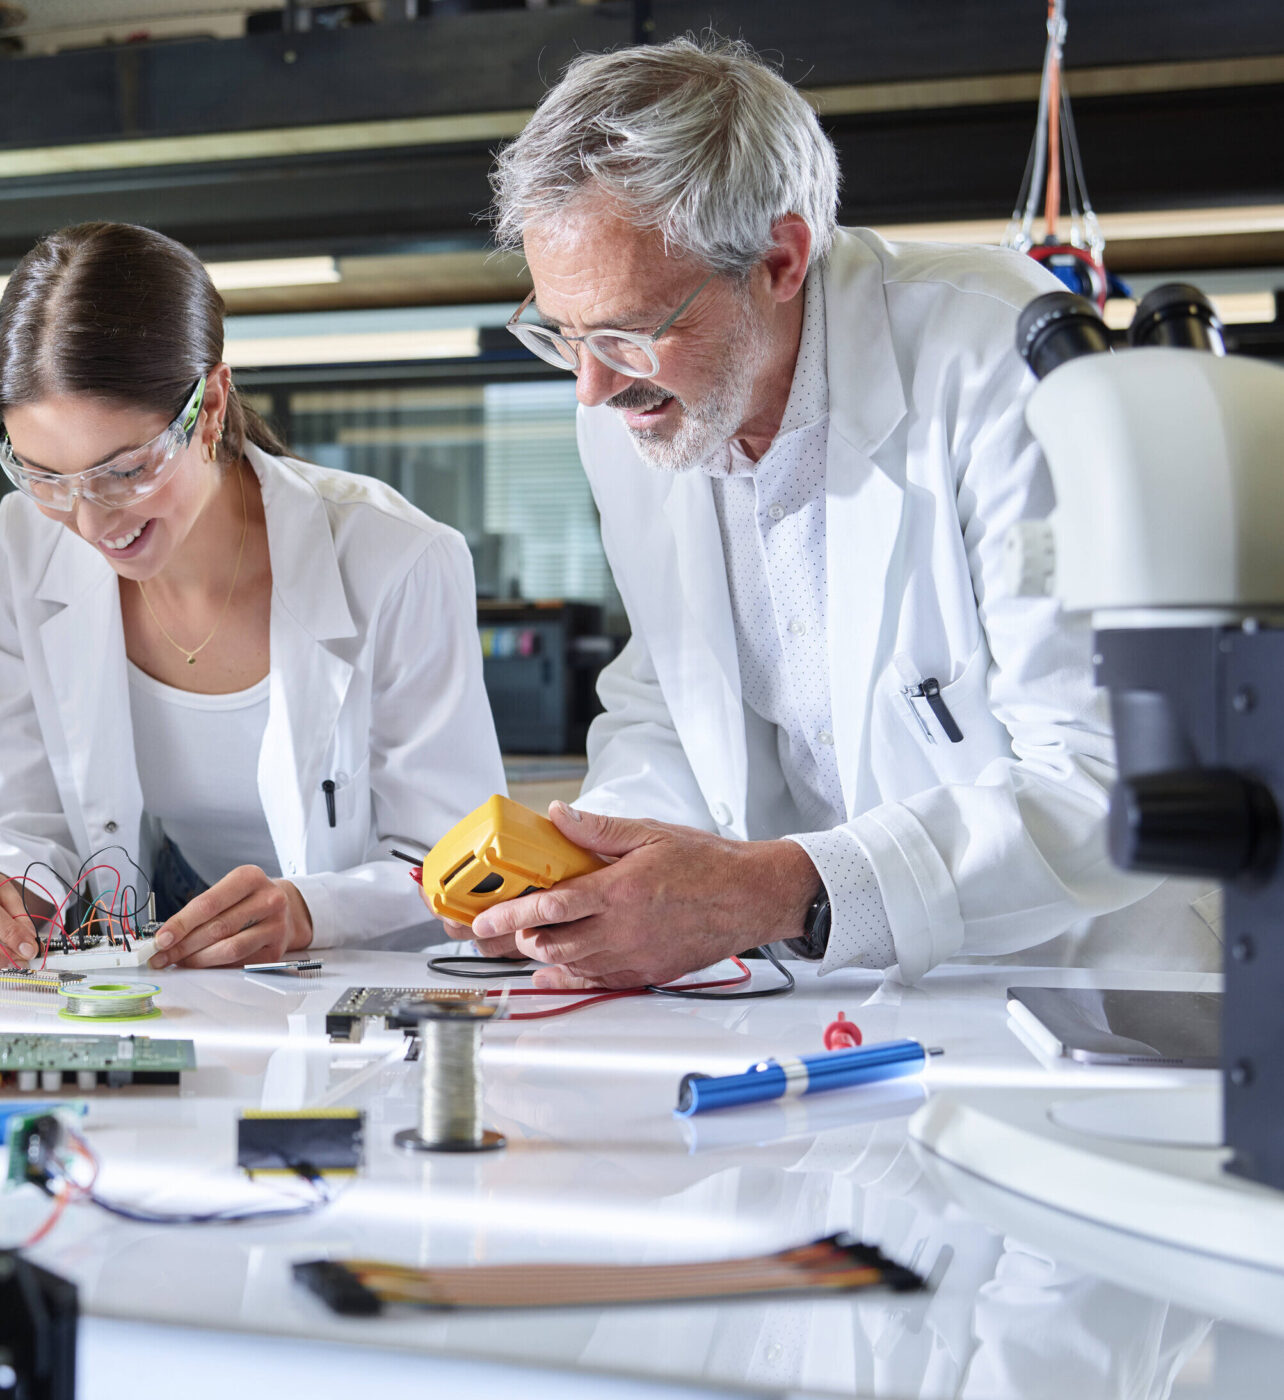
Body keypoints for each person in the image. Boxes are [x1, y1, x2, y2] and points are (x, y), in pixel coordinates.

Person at [464, 38, 1161, 987]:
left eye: (629, 332)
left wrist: (769, 890)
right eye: (563, 334)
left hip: (1074, 987)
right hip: (824, 992)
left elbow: (1104, 770)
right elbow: (667, 701)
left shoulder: (996, 354)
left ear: (781, 259)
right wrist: (603, 869)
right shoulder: (635, 414)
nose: (591, 387)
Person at [0, 222, 505, 970]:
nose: (90, 522)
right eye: (42, 475)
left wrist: (310, 911)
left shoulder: (399, 557)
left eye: (125, 470)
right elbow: (14, 808)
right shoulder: (25, 543)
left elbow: (459, 863)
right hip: (159, 918)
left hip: (352, 960)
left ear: (212, 406)